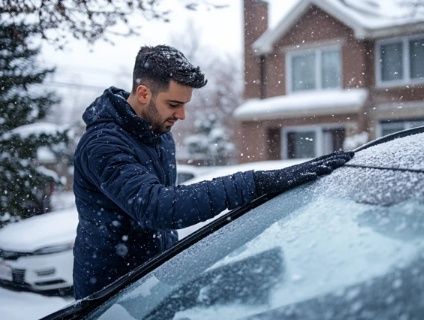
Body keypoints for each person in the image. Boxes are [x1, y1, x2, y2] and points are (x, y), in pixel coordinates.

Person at [72, 44, 354, 299]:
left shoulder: (157, 134)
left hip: (150, 281)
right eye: (174, 104)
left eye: (184, 105)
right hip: (110, 296)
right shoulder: (102, 145)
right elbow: (159, 207)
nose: (182, 115)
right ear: (143, 93)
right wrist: (256, 183)